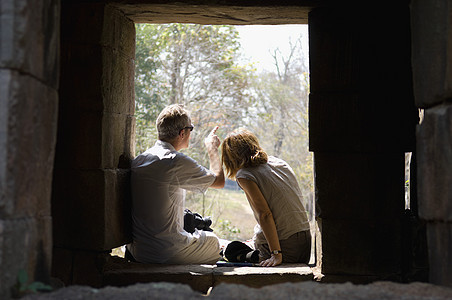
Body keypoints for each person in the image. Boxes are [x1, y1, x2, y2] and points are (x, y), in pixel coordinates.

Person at [126, 104, 225, 264]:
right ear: (182, 133)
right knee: (213, 241)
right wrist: (212, 149)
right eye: (191, 129)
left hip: (138, 251)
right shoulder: (175, 161)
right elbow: (219, 181)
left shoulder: (140, 159)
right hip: (166, 252)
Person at [221, 129, 311, 267]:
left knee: (229, 252)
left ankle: (251, 254)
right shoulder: (279, 163)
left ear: (230, 157)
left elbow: (265, 215)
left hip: (286, 247)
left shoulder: (244, 175)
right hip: (304, 244)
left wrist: (276, 254)